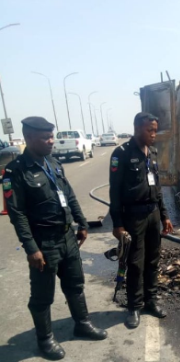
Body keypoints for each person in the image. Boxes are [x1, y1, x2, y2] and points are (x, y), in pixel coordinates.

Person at [3, 117, 107, 361]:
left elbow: (69, 196)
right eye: (45, 137)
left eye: (52, 136)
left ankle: (82, 324)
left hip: (66, 237)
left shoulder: (54, 163)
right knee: (42, 295)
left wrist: (81, 223)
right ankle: (45, 339)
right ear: (28, 139)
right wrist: (31, 248)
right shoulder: (16, 171)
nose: (52, 141)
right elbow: (17, 214)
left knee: (75, 284)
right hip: (43, 243)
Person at [109, 112, 173, 329]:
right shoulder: (122, 153)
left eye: (155, 130)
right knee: (135, 263)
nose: (154, 134)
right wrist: (117, 224)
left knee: (153, 260)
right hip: (133, 216)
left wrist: (164, 215)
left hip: (153, 214)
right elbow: (115, 192)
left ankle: (150, 301)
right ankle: (134, 307)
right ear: (137, 128)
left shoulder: (152, 152)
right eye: (150, 130)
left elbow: (158, 188)